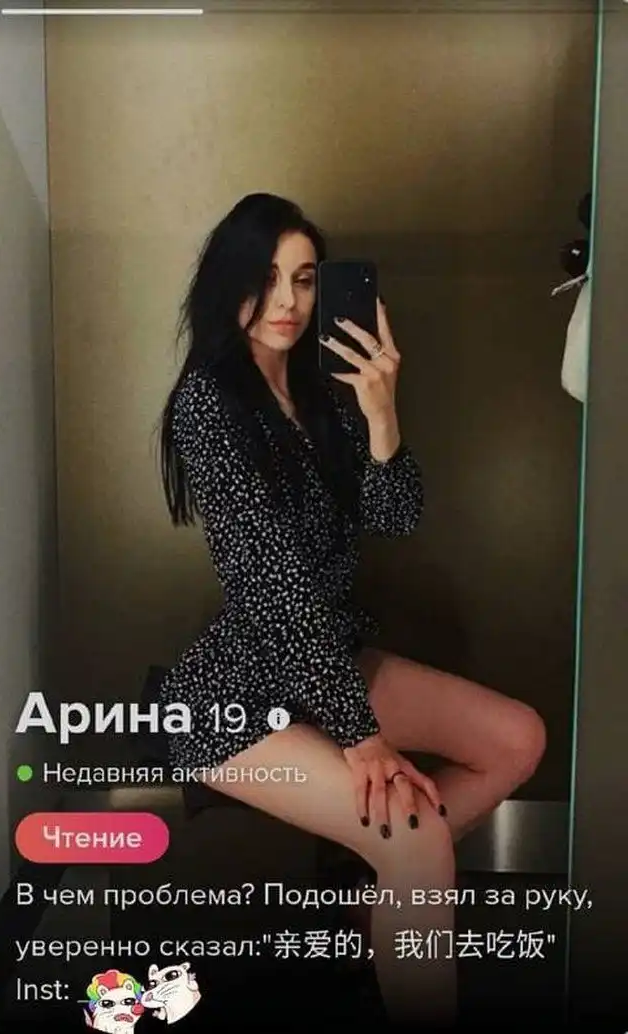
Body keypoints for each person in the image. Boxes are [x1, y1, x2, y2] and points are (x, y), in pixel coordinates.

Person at [158, 192, 546, 1026]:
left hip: (329, 655)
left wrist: (381, 413)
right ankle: (403, 887)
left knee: (518, 739)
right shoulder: (208, 405)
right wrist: (361, 735)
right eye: (266, 278)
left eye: (304, 279)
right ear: (229, 283)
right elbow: (272, 584)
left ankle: (382, 901)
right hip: (237, 692)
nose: (288, 302)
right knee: (417, 838)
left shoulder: (324, 392)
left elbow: (396, 517)